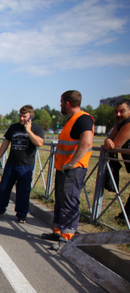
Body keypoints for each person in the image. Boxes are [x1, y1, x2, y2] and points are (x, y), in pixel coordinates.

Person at [41, 90, 94, 251]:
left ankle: (67, 239)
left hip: (73, 170)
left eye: (61, 102)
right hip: (64, 169)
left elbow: (86, 142)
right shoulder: (72, 119)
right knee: (61, 202)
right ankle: (58, 232)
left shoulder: (83, 118)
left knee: (69, 202)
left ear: (67, 103)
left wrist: (72, 163)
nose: (60, 105)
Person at [0, 105, 45, 223]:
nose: (21, 119)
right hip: (11, 164)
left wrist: (28, 130)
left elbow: (40, 143)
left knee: (23, 191)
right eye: (20, 116)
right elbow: (6, 142)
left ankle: (21, 215)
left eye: (24, 116)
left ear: (31, 116)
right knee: (3, 188)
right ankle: (0, 209)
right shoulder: (13, 127)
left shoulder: (37, 128)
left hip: (26, 166)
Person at [102, 99, 130, 221]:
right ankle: (124, 218)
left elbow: (115, 145)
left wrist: (109, 141)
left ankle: (124, 218)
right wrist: (108, 140)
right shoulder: (120, 124)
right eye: (116, 111)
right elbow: (110, 140)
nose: (118, 114)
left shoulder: (128, 124)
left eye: (122, 111)